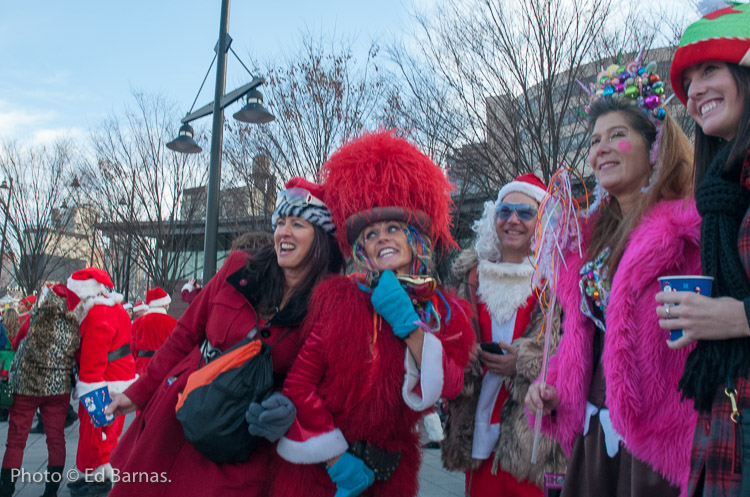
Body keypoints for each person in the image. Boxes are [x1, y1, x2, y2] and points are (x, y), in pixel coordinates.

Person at [525, 55, 700, 496]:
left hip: (656, 450)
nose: (599, 148)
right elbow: (584, 343)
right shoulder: (585, 244)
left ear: (654, 145)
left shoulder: (688, 233)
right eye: (595, 139)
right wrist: (550, 391)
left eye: (617, 135)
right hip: (594, 439)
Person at [104, 177, 343, 497]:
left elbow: (313, 383)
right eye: (281, 222)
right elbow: (184, 335)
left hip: (240, 440)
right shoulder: (237, 267)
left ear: (321, 238)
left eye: (298, 223)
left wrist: (284, 408)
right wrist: (138, 392)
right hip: (178, 414)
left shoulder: (326, 306)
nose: (283, 232)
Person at [270, 130, 475, 497]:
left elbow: (452, 384)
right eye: (370, 233)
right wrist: (335, 460)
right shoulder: (338, 300)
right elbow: (299, 385)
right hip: (321, 476)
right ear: (360, 248)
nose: (381, 238)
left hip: (390, 477)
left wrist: (409, 325)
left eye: (393, 228)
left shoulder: (444, 311)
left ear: (414, 236)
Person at [656, 4, 750, 495]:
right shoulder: (720, 192)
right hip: (724, 423)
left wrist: (735, 318)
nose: (693, 93)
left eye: (710, 69)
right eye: (688, 81)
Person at [442, 173, 567, 496]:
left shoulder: (557, 281)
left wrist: (524, 363)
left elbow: (573, 352)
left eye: (525, 213)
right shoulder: (469, 277)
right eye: (505, 211)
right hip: (477, 435)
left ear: (542, 221)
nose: (513, 220)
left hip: (533, 440)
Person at [0, 284, 81, 497]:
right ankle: (50, 491)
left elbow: (17, 345)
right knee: (56, 439)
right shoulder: (74, 326)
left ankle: (6, 489)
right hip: (58, 389)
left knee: (16, 440)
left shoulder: (32, 320)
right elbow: (78, 356)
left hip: (27, 386)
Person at [64, 268, 136, 497]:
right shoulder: (111, 309)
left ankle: (97, 480)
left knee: (97, 432)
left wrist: (88, 387)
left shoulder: (97, 315)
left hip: (102, 380)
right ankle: (93, 474)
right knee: (104, 432)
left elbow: (94, 357)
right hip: (114, 378)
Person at [130, 287, 176, 376]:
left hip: (142, 366)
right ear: (163, 305)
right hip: (165, 365)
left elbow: (132, 347)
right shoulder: (173, 323)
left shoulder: (138, 322)